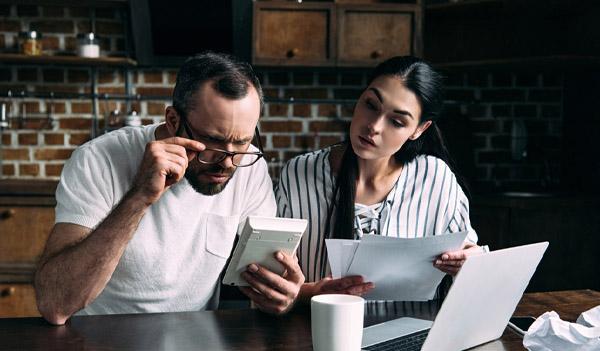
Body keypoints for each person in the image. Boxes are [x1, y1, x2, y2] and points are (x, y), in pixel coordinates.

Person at [34, 51, 304, 325]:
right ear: (173, 121)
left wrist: (282, 295)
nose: (226, 162)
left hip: (193, 348)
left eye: (242, 142)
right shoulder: (96, 161)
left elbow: (271, 276)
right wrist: (139, 197)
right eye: (212, 141)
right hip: (98, 345)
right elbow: (55, 303)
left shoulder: (248, 165)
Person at [275, 56, 486, 303]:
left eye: (396, 122)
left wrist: (472, 263)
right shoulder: (298, 173)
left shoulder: (436, 179)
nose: (374, 126)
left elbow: (474, 263)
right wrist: (308, 294)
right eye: (371, 105)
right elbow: (270, 283)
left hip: (409, 334)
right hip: (315, 333)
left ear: (419, 129)